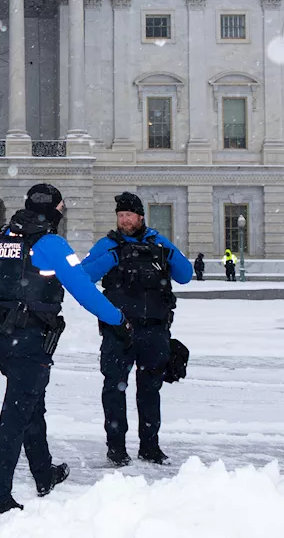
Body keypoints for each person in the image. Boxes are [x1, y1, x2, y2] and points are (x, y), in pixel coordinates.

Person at [0, 184, 131, 519]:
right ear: (53, 209)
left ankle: (43, 473)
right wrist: (118, 319)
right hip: (29, 338)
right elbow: (83, 289)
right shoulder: (52, 244)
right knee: (15, 415)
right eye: (62, 205)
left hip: (0, 335)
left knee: (30, 404)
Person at [82, 193, 194, 466]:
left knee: (150, 390)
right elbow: (83, 275)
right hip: (119, 330)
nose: (124, 220)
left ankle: (150, 446)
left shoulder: (158, 242)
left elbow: (185, 274)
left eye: (129, 215)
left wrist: (167, 254)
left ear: (140, 217)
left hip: (154, 329)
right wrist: (111, 258)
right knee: (114, 388)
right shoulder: (108, 244)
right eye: (120, 215)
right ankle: (116, 448)